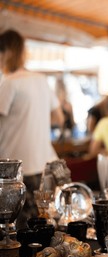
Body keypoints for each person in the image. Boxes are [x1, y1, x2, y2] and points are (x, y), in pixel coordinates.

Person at [0, 29, 64, 229]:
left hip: (13, 170)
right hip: (44, 165)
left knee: (15, 233)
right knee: (42, 229)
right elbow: (58, 118)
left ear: (5, 53)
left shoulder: (9, 83)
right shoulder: (41, 80)